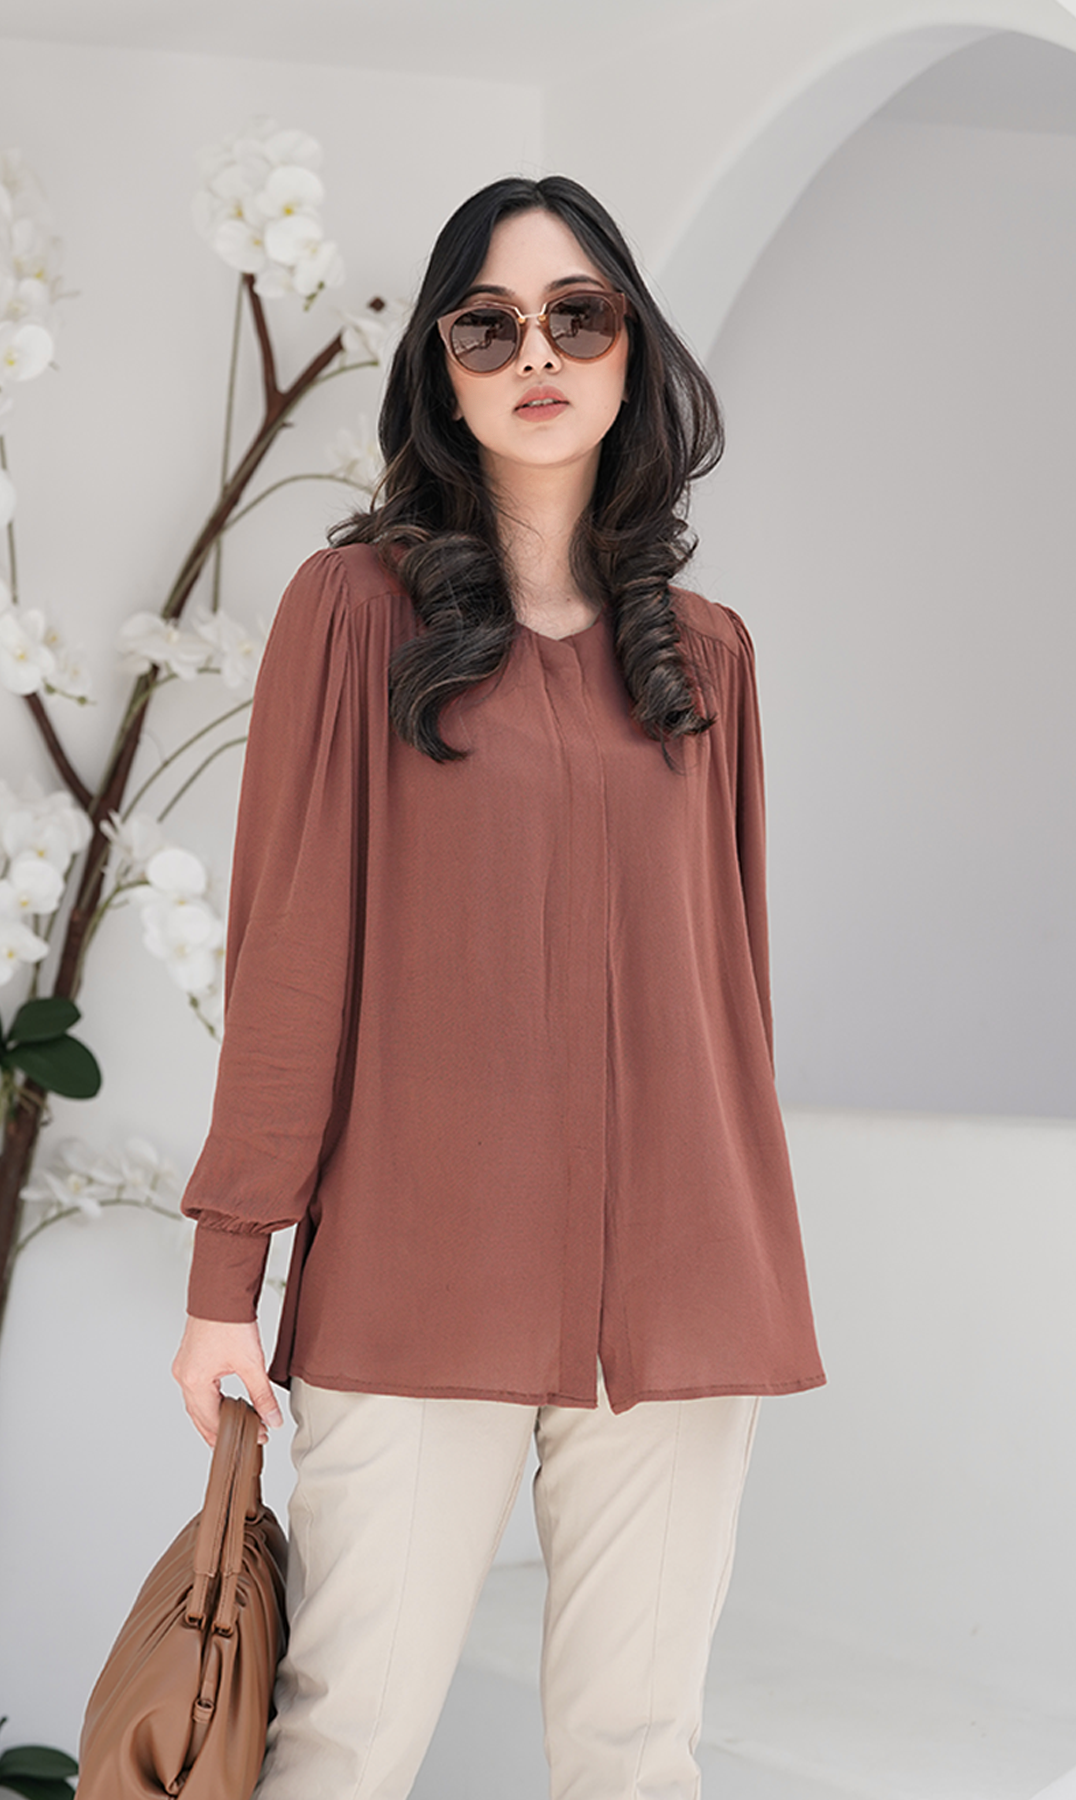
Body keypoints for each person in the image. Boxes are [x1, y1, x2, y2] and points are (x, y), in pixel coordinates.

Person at [171, 173, 825, 1800]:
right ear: (444, 371)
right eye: (491, 324)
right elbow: (290, 960)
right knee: (345, 1743)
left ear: (631, 351)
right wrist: (227, 1275)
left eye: (578, 317)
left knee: (636, 1751)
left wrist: (745, 1251)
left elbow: (731, 991)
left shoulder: (711, 657)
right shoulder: (354, 614)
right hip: (416, 1278)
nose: (539, 353)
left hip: (684, 1288)